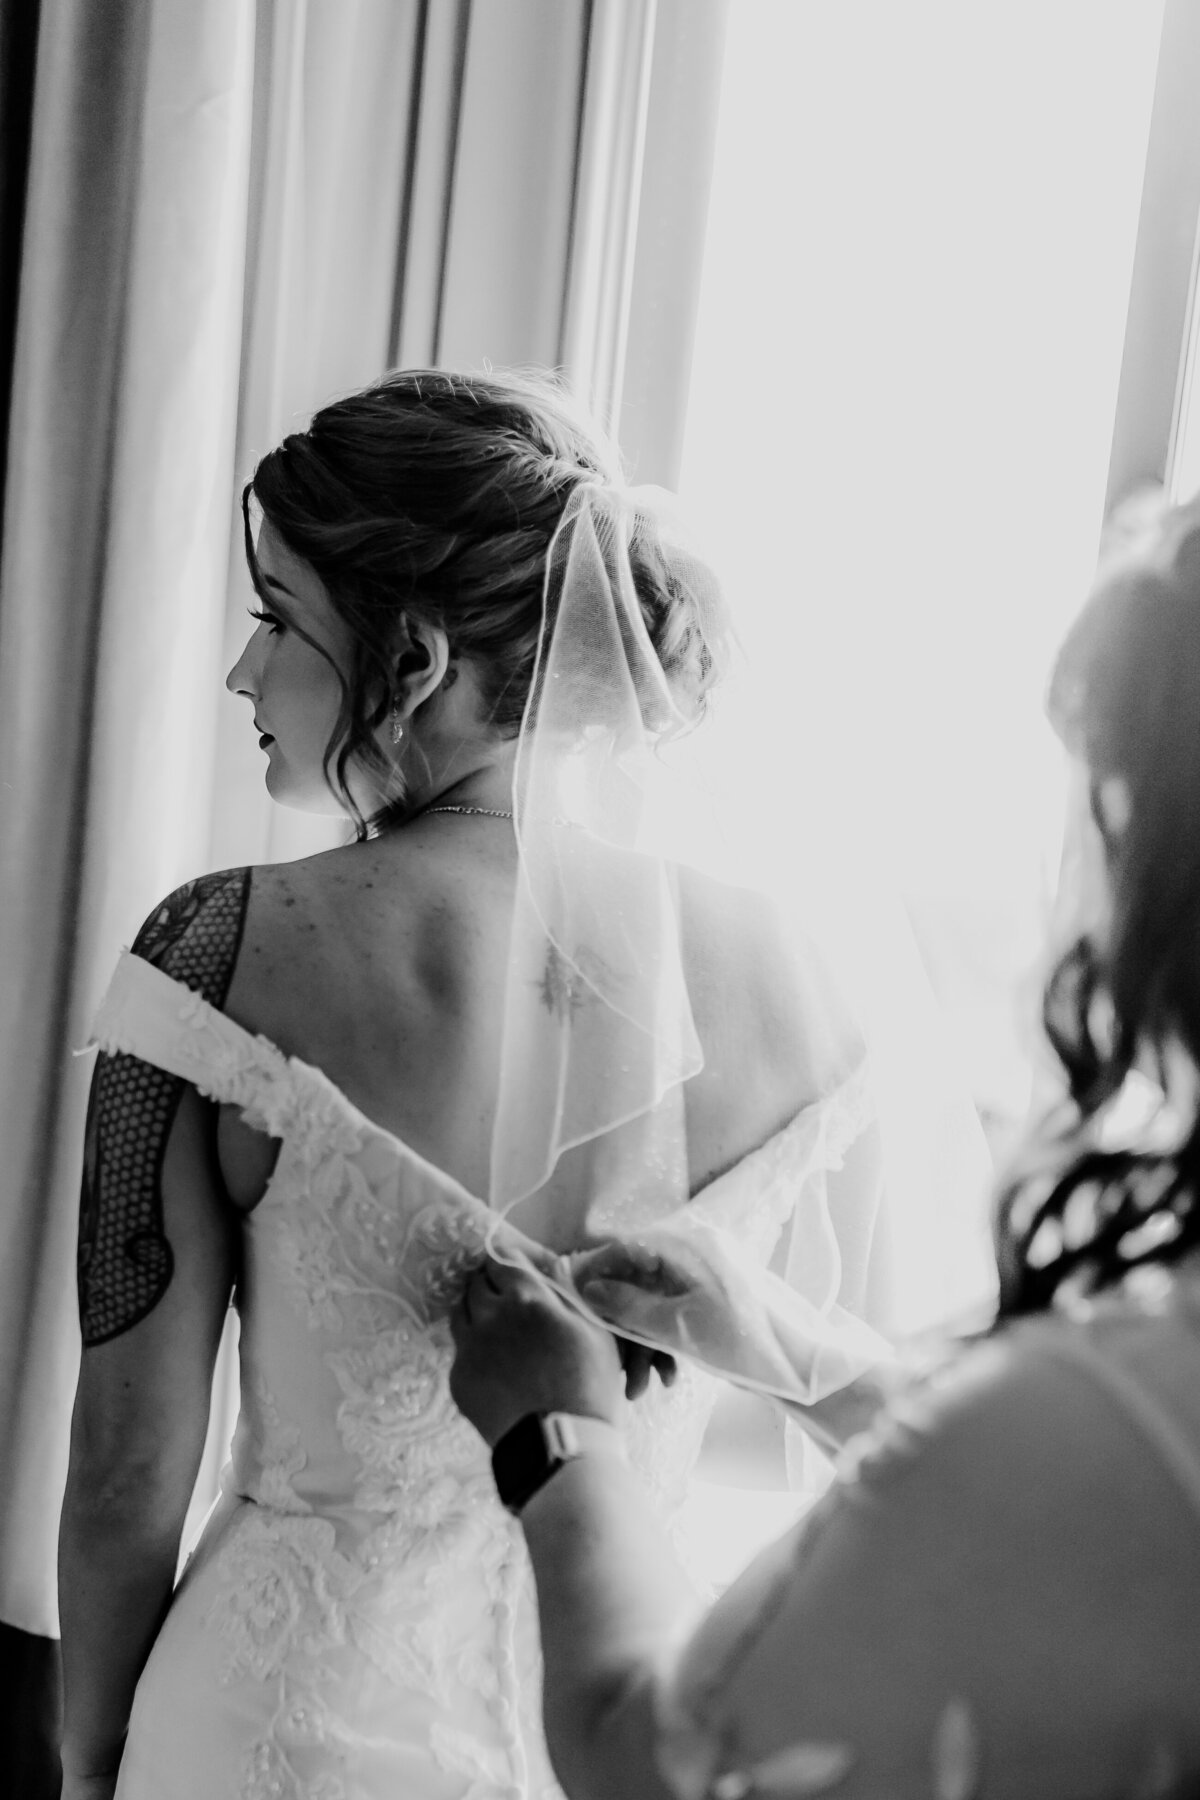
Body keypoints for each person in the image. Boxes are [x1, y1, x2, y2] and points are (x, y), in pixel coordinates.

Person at [56, 368, 886, 1800]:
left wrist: (84, 1768)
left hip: (263, 1744)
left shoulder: (221, 956)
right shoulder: (795, 982)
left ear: (417, 659)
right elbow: (871, 1430)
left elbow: (132, 1464)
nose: (244, 676)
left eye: (277, 621)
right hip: (602, 1725)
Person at [447, 491, 1200, 1800]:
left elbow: (663, 1762)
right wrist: (797, 1349)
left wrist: (557, 1438)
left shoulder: (1098, 1400)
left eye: (1108, 810)